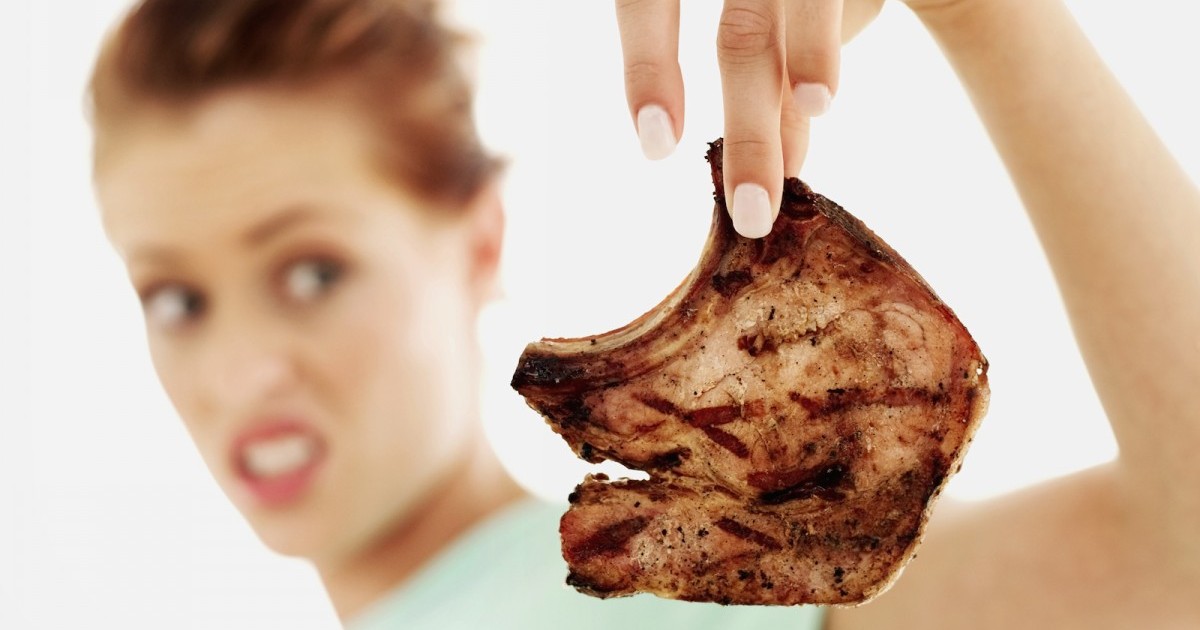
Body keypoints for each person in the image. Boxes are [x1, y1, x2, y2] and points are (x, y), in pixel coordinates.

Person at [86, 1, 1198, 630]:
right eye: (175, 297)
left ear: (479, 243)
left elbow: (1180, 558)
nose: (239, 374)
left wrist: (991, 16)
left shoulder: (696, 592)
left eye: (311, 273)